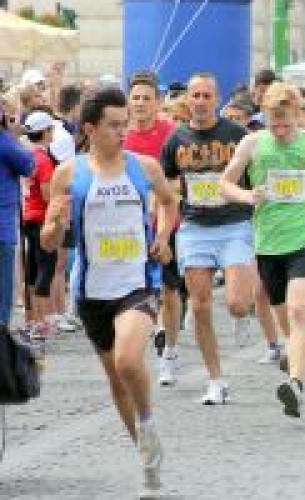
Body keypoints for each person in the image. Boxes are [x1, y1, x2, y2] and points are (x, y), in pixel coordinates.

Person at [40, 87, 178, 497]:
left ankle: (148, 422)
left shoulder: (145, 168)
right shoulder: (69, 174)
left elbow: (170, 204)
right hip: (91, 290)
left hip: (138, 281)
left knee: (129, 358)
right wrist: (56, 225)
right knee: (116, 379)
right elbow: (48, 242)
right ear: (89, 128)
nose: (123, 132)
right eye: (114, 126)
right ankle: (146, 456)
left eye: (126, 125)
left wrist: (165, 236)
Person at [220, 82, 305, 417]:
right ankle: (299, 348)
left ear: (299, 115)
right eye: (274, 122)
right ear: (265, 116)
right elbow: (224, 183)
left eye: (287, 122)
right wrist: (245, 196)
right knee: (288, 321)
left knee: (300, 311)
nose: (280, 129)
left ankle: (295, 384)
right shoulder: (252, 144)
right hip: (268, 245)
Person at [161, 73, 257, 404]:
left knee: (235, 301)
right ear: (187, 99)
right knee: (200, 304)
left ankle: (243, 315)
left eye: (206, 96)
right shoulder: (176, 140)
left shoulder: (237, 135)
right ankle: (215, 380)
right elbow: (169, 187)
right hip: (195, 227)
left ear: (217, 100)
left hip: (233, 224)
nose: (200, 101)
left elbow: (255, 174)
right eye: (195, 95)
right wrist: (164, 229)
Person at [123, 71, 184, 385]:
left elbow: (176, 182)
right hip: (128, 226)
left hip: (167, 221)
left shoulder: (171, 133)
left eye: (148, 98)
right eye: (136, 98)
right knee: (141, 291)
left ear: (158, 102)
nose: (142, 104)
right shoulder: (120, 135)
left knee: (170, 290)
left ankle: (170, 351)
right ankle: (148, 344)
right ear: (128, 102)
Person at [20, 110, 58, 334]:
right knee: (46, 267)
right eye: (51, 129)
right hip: (43, 219)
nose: (52, 133)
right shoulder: (43, 160)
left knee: (32, 268)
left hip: (28, 217)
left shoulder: (27, 156)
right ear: (44, 132)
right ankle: (42, 319)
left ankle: (32, 318)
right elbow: (47, 195)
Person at [0, 103, 34, 328]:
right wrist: (13, 136)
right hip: (2, 232)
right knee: (2, 298)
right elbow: (29, 165)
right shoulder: (5, 143)